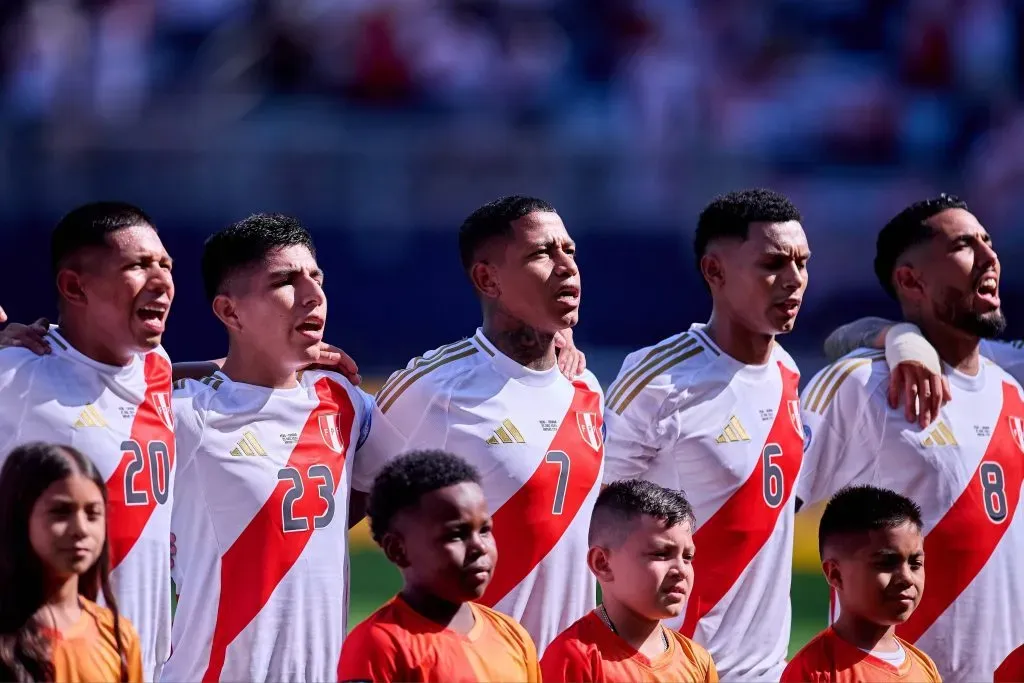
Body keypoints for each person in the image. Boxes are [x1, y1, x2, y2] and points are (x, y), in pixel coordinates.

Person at [353, 195, 604, 654]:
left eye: (570, 250)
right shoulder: (431, 389)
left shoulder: (585, 386)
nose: (566, 266)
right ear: (487, 278)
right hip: (472, 662)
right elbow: (350, 501)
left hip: (568, 664)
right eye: (541, 254)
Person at [798, 194, 1024, 682]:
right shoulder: (864, 385)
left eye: (988, 242)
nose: (990, 258)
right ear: (910, 279)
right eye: (965, 246)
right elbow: (770, 517)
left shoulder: (1012, 385)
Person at [602, 189, 808, 681]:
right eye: (773, 263)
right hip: (672, 669)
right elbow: (591, 517)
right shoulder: (657, 378)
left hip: (767, 671)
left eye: (803, 263)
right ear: (714, 271)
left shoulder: (787, 372)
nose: (794, 280)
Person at [163, 214, 374, 681]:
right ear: (230, 312)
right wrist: (212, 365)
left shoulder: (346, 402)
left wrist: (557, 345)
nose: (312, 294)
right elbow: (101, 384)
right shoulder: (189, 414)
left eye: (316, 277)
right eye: (284, 281)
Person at [0, 202, 175, 681]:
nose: (161, 281)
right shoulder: (18, 374)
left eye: (166, 265)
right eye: (138, 265)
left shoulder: (156, 365)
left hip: (131, 658)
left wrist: (292, 365)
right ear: (74, 286)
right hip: (35, 655)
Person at [338, 450, 540, 683]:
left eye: (484, 530)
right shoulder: (380, 644)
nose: (479, 547)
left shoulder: (513, 636)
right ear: (398, 549)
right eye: (456, 535)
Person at [541, 479, 718, 683]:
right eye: (661, 554)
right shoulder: (574, 658)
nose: (680, 570)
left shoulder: (697, 661)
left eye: (688, 557)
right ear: (602, 563)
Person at [0, 442, 144, 682]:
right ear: (20, 517)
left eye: (93, 514)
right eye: (60, 511)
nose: (80, 529)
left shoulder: (118, 636)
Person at [783, 485, 940, 683]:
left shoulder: (925, 667)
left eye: (915, 564)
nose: (907, 577)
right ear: (836, 575)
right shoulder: (815, 672)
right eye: (886, 563)